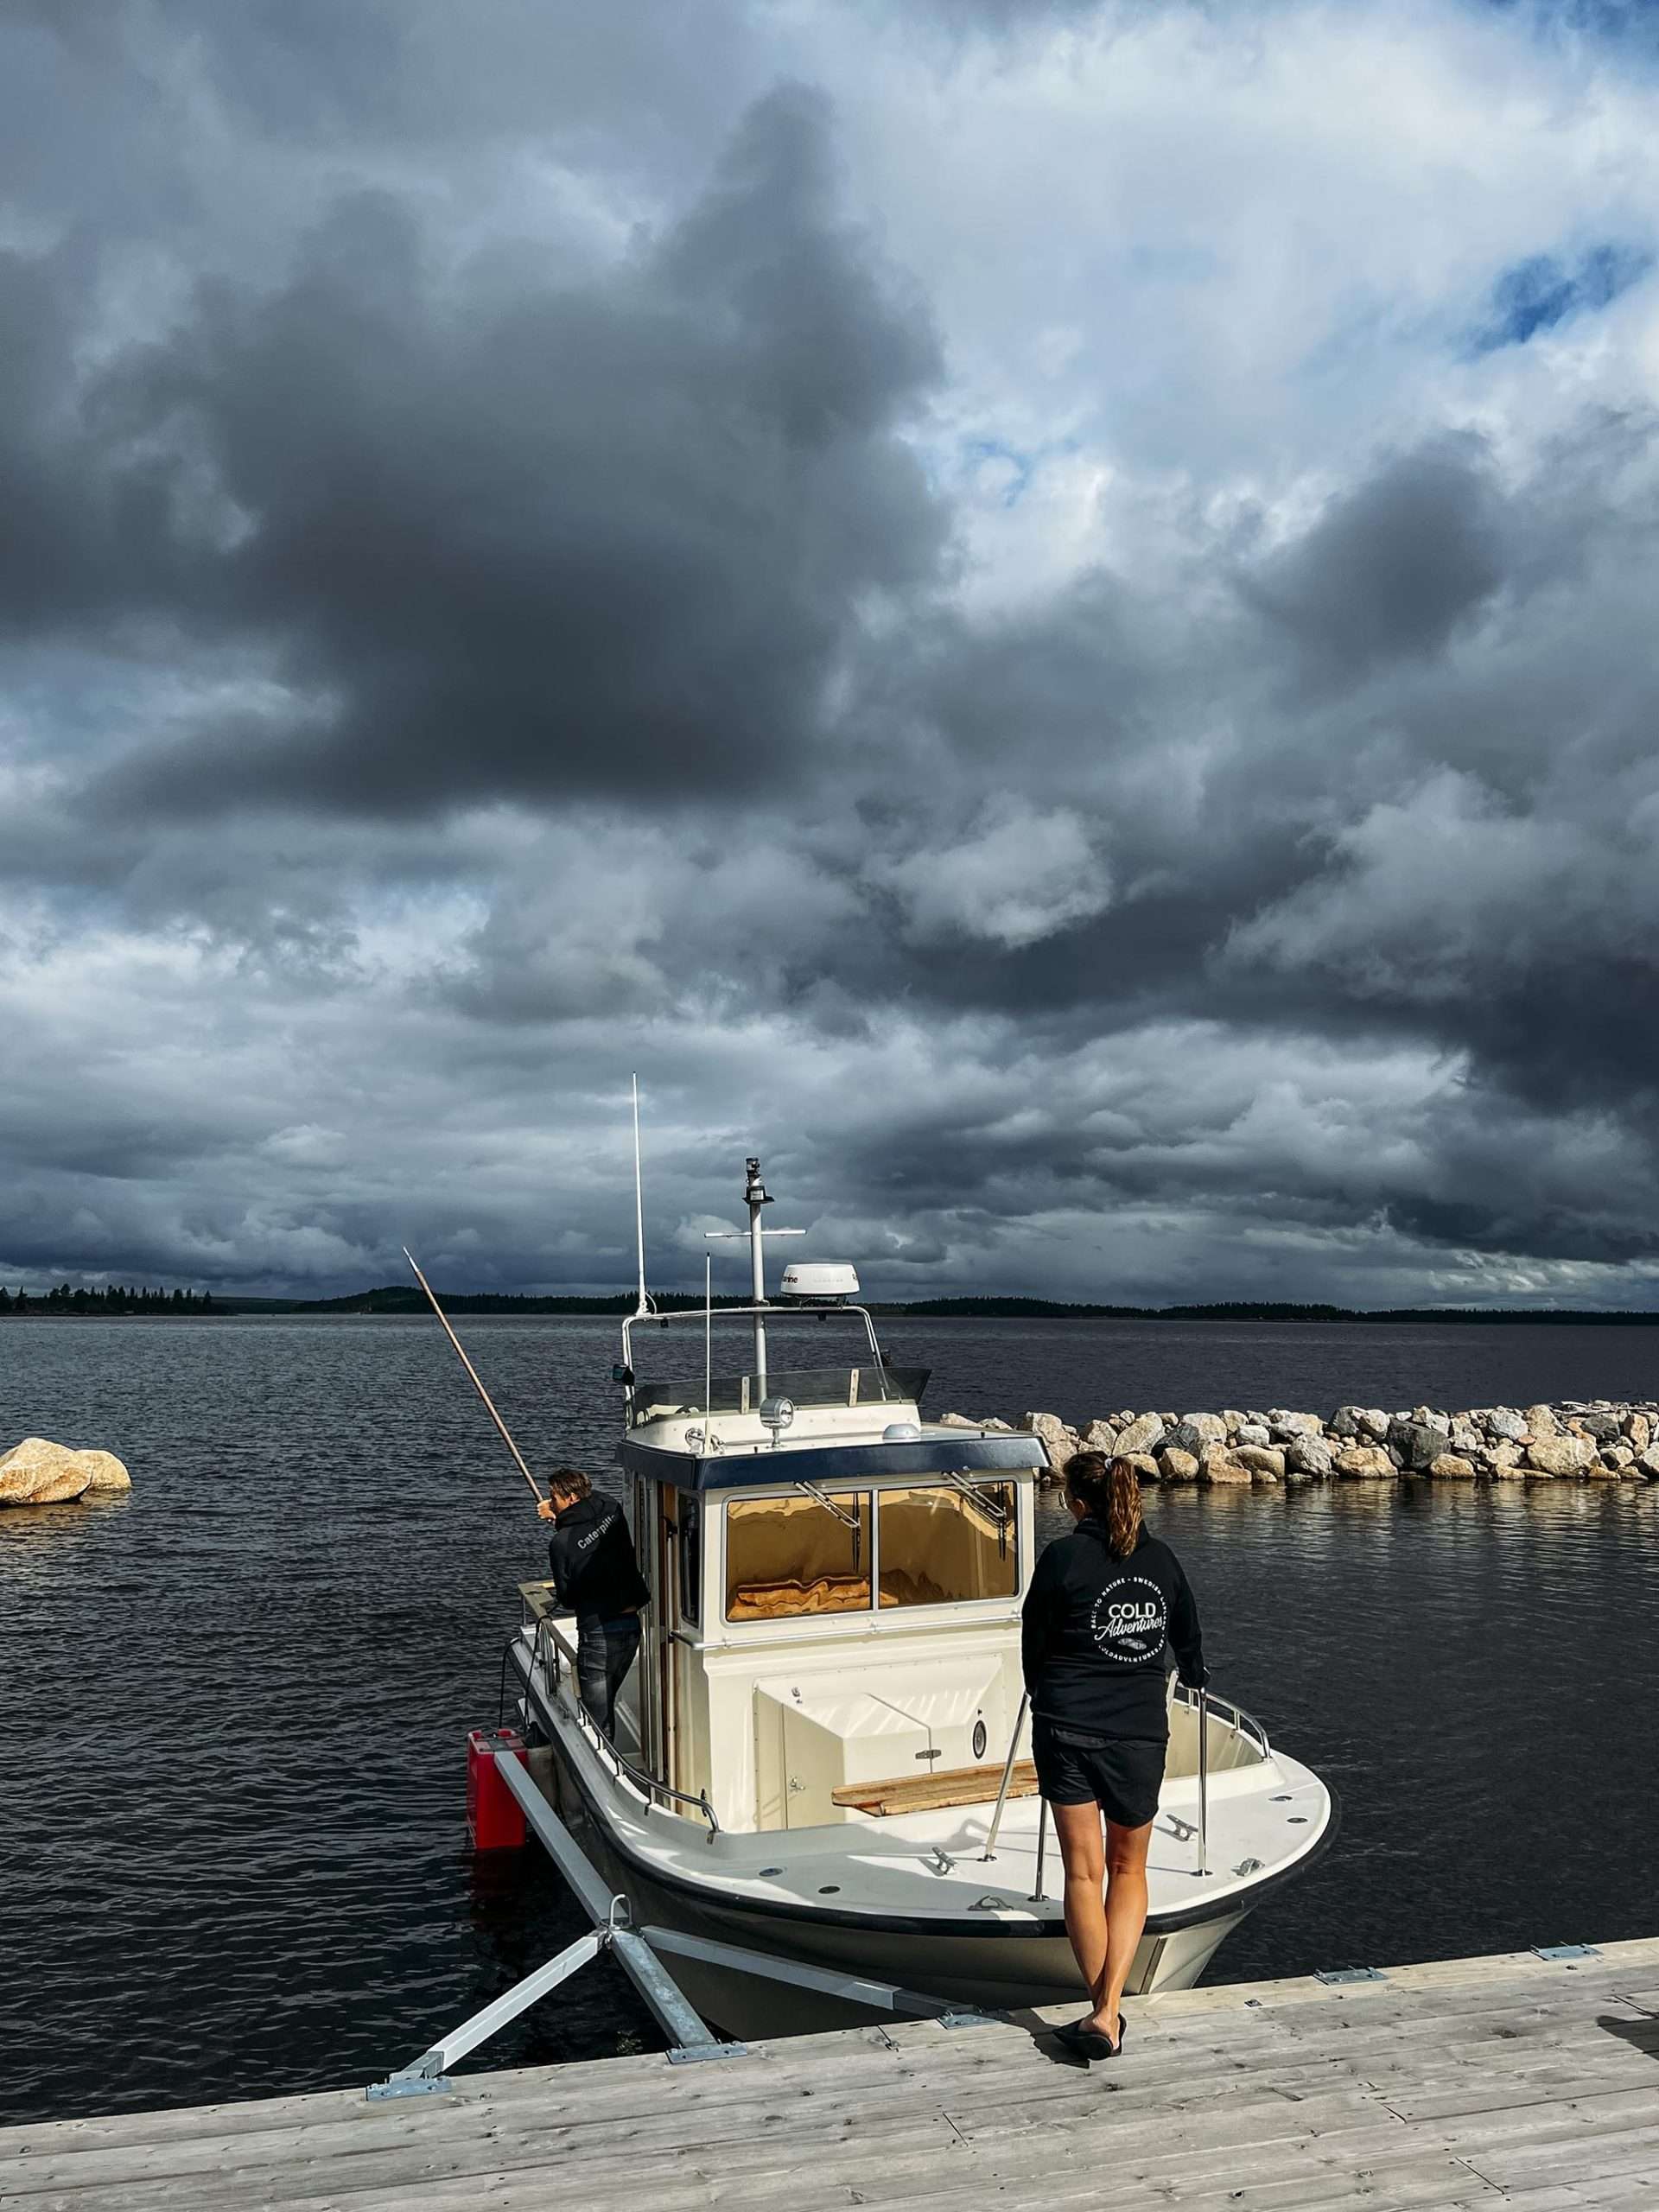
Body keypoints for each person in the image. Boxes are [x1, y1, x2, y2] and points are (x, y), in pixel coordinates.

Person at [1020, 1449, 1206, 2060]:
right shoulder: (1161, 1560)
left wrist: (1041, 1690)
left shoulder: (1062, 1557)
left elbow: (1034, 1640)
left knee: (1083, 1872)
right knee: (1129, 1870)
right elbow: (1189, 1642)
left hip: (1066, 1728)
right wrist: (1194, 1673)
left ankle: (1104, 2012)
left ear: (1077, 1503)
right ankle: (1107, 2011)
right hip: (1139, 1733)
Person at [536, 1468, 650, 1740]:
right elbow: (592, 1508)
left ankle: (604, 1762)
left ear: (571, 1498)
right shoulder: (611, 1510)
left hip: (598, 1633)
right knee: (607, 1704)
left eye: (554, 1498)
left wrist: (562, 1522)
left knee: (597, 1719)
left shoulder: (560, 1543)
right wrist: (562, 1517)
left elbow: (567, 1598)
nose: (552, 1502)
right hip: (631, 1627)